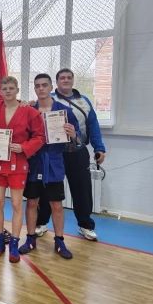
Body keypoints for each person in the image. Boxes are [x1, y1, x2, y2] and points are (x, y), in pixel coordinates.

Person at [35, 68, 106, 241]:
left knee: (82, 190)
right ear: (56, 82)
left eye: (68, 77)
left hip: (77, 150)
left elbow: (93, 125)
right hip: (54, 153)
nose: (65, 80)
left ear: (73, 80)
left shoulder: (84, 101)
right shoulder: (46, 99)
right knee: (47, 189)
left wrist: (99, 147)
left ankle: (85, 225)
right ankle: (41, 223)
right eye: (62, 78)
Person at [0, 76, 45, 263]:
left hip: (18, 162)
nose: (7, 91)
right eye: (4, 88)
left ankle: (14, 243)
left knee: (17, 204)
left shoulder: (29, 111)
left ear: (17, 90)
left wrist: (24, 147)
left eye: (11, 88)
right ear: (0, 92)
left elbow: (40, 137)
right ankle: (0, 241)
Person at [19, 74, 79, 259]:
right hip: (34, 161)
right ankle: (30, 239)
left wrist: (73, 134)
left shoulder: (64, 111)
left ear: (51, 87)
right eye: (37, 86)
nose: (41, 88)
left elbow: (77, 137)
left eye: (44, 85)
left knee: (56, 205)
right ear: (34, 89)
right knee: (31, 202)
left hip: (54, 162)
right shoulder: (29, 110)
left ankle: (59, 241)